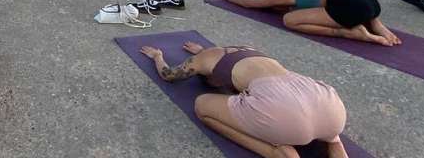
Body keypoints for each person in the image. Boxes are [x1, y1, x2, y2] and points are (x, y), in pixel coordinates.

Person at [138, 41, 349, 158]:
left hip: (284, 115)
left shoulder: (203, 59)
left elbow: (169, 75)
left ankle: (277, 152)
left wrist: (158, 56)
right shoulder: (253, 49)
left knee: (201, 105)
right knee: (330, 133)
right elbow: (227, 59)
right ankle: (333, 140)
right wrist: (202, 52)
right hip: (326, 104)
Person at [210, 0, 400, 47]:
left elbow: (249, 4)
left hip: (348, 7)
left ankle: (352, 32)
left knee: (290, 19)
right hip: (366, 0)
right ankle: (376, 24)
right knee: (357, 10)